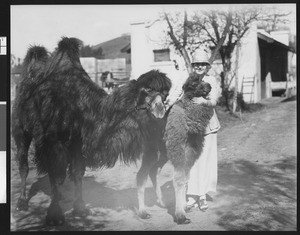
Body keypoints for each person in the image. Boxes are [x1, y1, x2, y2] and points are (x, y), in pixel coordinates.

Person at [165, 47, 221, 212]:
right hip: (190, 125)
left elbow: (215, 100)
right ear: (193, 65)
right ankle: (190, 196)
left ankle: (202, 195)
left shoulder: (211, 80)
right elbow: (177, 93)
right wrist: (167, 104)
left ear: (207, 65)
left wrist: (202, 101)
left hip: (208, 126)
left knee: (204, 161)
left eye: (202, 64)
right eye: (196, 64)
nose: (199, 67)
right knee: (190, 160)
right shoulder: (187, 80)